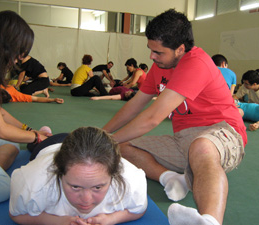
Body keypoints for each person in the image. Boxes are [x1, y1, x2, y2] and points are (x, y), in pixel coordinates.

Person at [102, 9, 247, 225]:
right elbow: (135, 105)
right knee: (120, 148)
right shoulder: (159, 66)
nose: (152, 56)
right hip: (184, 139)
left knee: (202, 147)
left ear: (180, 49)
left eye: (158, 52)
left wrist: (106, 141)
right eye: (151, 50)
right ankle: (171, 178)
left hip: (224, 132)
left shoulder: (197, 63)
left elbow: (152, 117)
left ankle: (209, 221)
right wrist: (102, 134)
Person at [0, 11, 50, 206]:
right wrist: (37, 137)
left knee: (9, 145)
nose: (18, 60)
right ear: (5, 46)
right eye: (19, 52)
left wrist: (27, 130)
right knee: (3, 186)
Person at [9, 127, 147, 225]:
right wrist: (58, 221)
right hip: (50, 147)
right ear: (59, 172)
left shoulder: (131, 180)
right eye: (75, 187)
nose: (86, 200)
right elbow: (16, 215)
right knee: (35, 144)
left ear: (113, 175)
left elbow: (139, 210)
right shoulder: (33, 182)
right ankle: (44, 133)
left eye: (98, 187)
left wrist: (111, 219)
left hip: (84, 148)